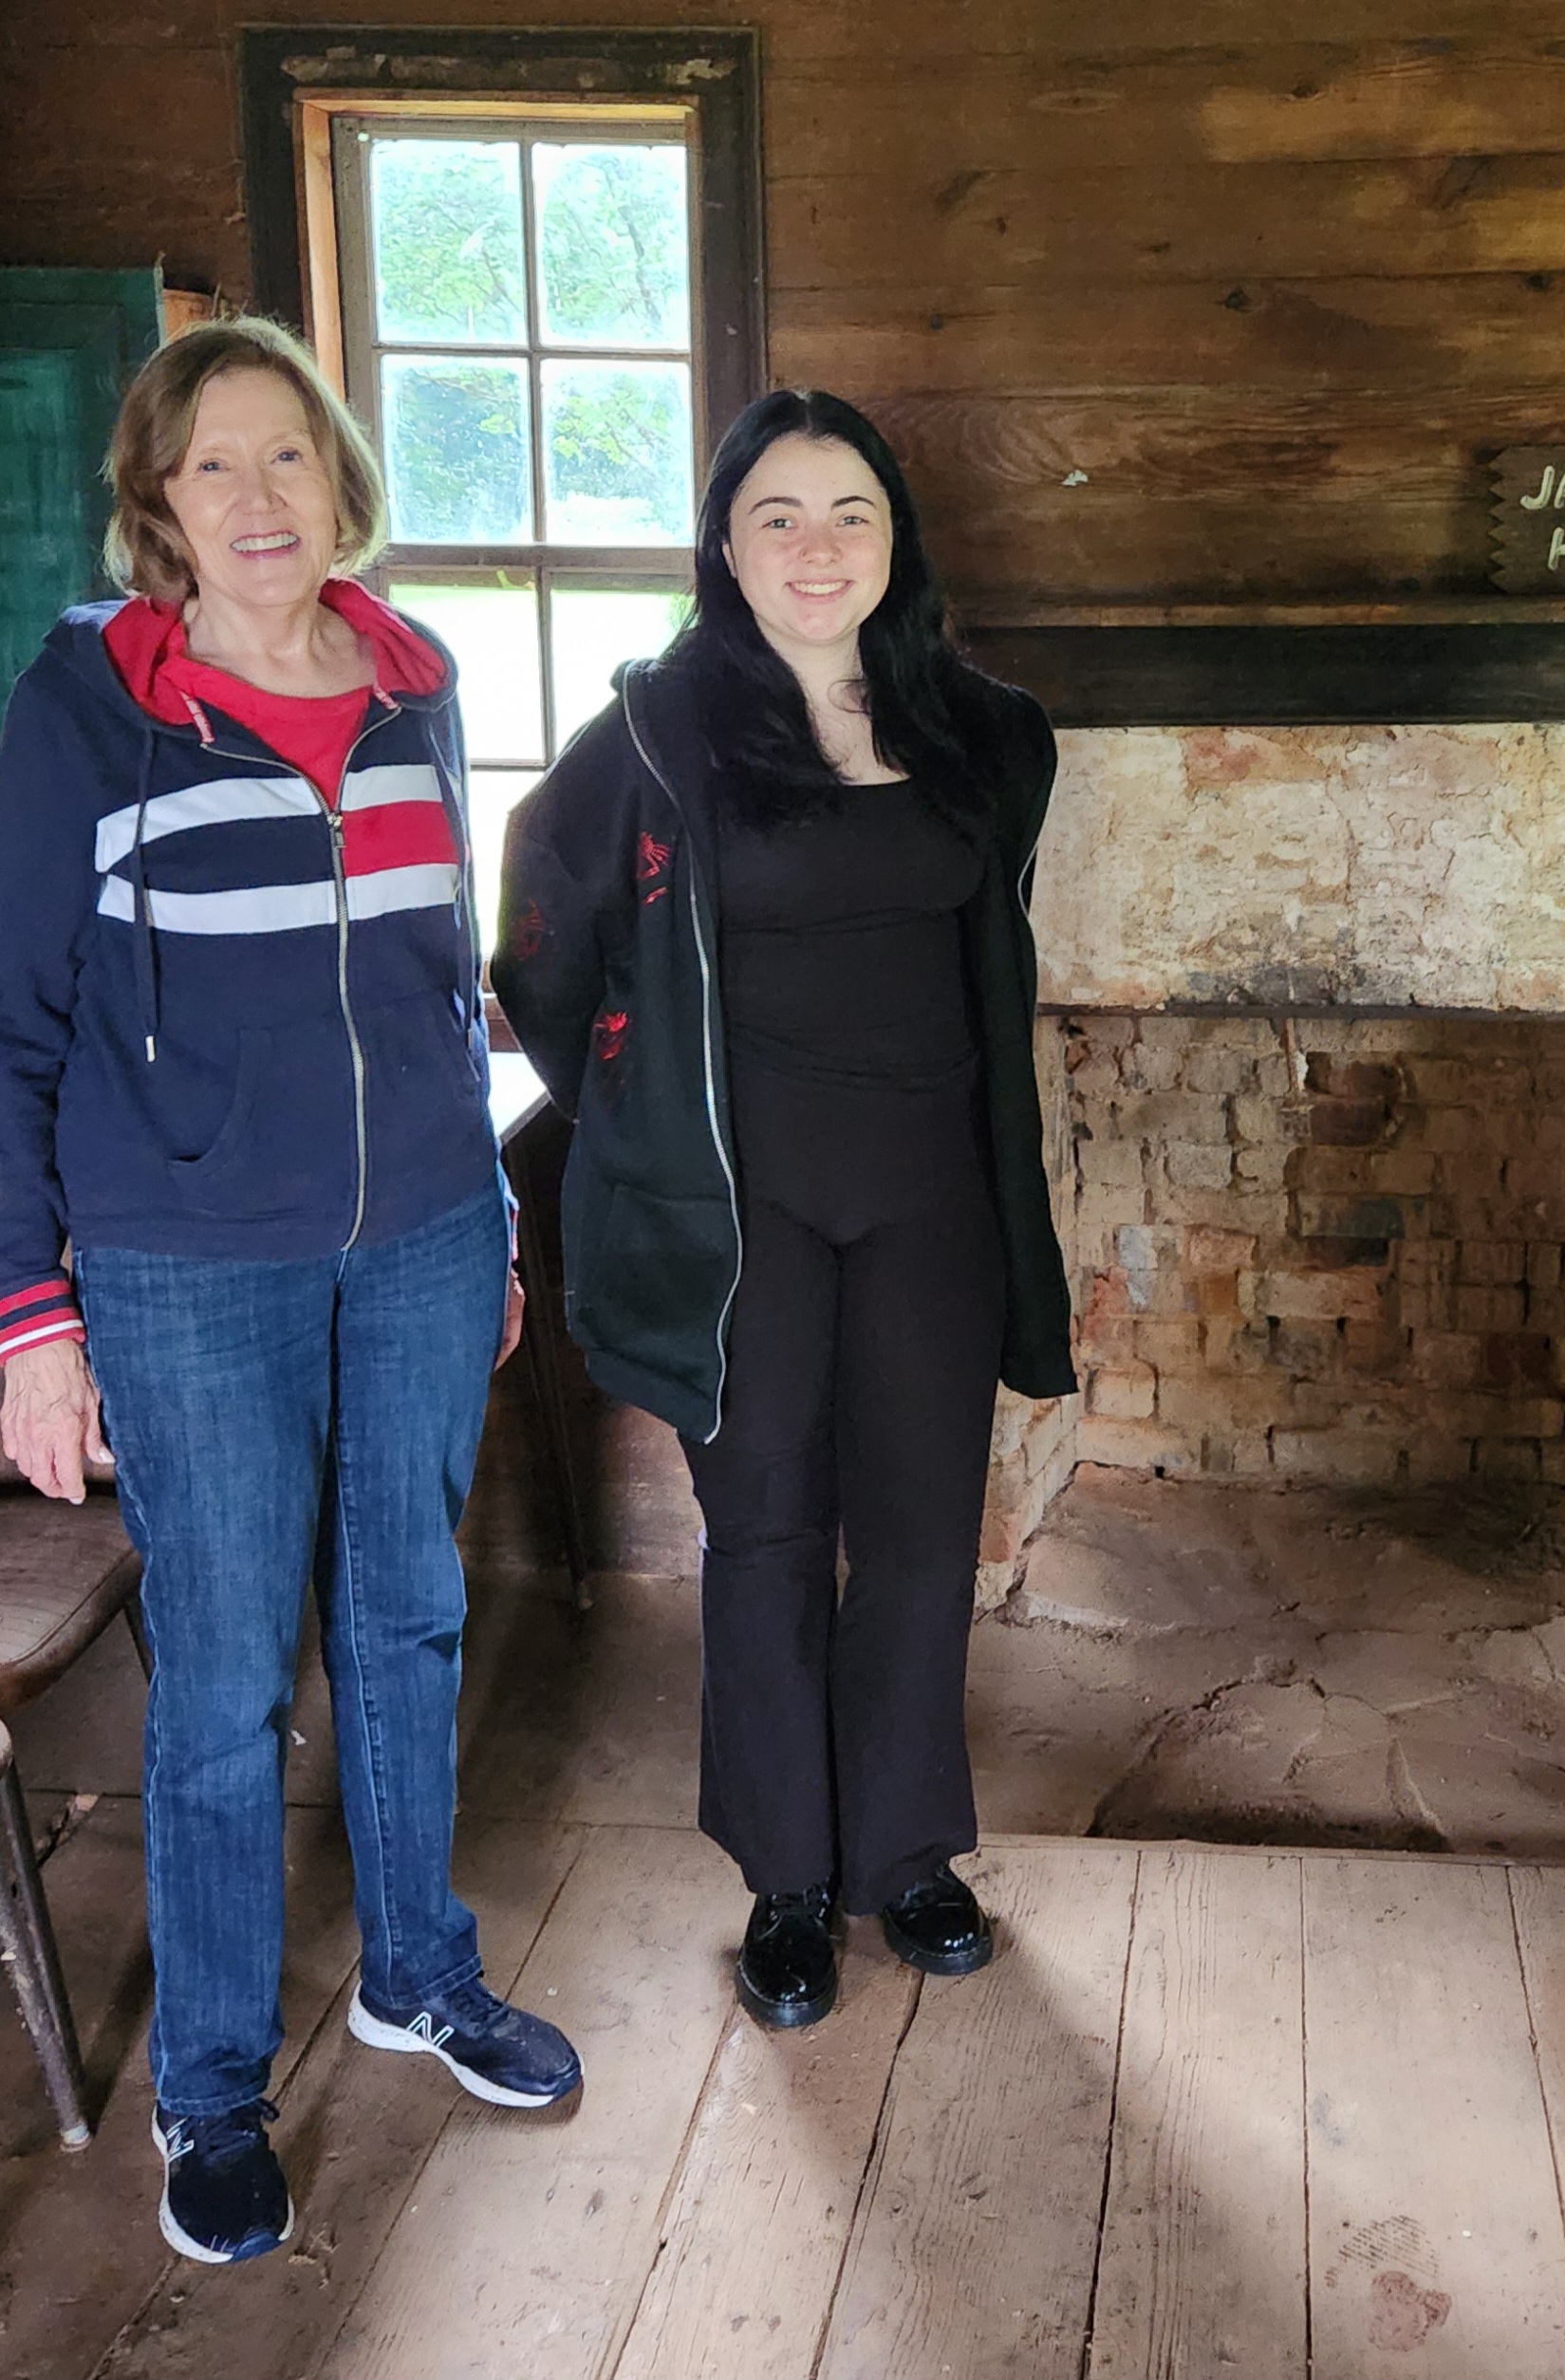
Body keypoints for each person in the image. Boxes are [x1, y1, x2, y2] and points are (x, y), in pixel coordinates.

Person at [0, 318, 581, 2262]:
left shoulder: (419, 687)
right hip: (181, 1274)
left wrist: (484, 1226)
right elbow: (6, 1028)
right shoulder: (90, 705)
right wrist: (30, 1322)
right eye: (214, 466)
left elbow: (441, 982)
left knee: (415, 1622)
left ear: (344, 483)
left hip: (419, 1238)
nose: (259, 499)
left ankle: (419, 1972)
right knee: (227, 1687)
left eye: (290, 459)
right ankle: (214, 2090)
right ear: (160, 506)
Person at [493, 389, 1074, 2031]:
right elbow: (540, 939)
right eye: (777, 518)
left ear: (896, 542)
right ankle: (786, 1880)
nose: (815, 551)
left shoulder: (983, 732)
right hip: (739, 1215)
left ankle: (905, 1854)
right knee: (761, 1538)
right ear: (726, 549)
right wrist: (635, 1107)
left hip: (930, 1201)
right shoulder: (661, 734)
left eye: (849, 517)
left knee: (912, 1537)